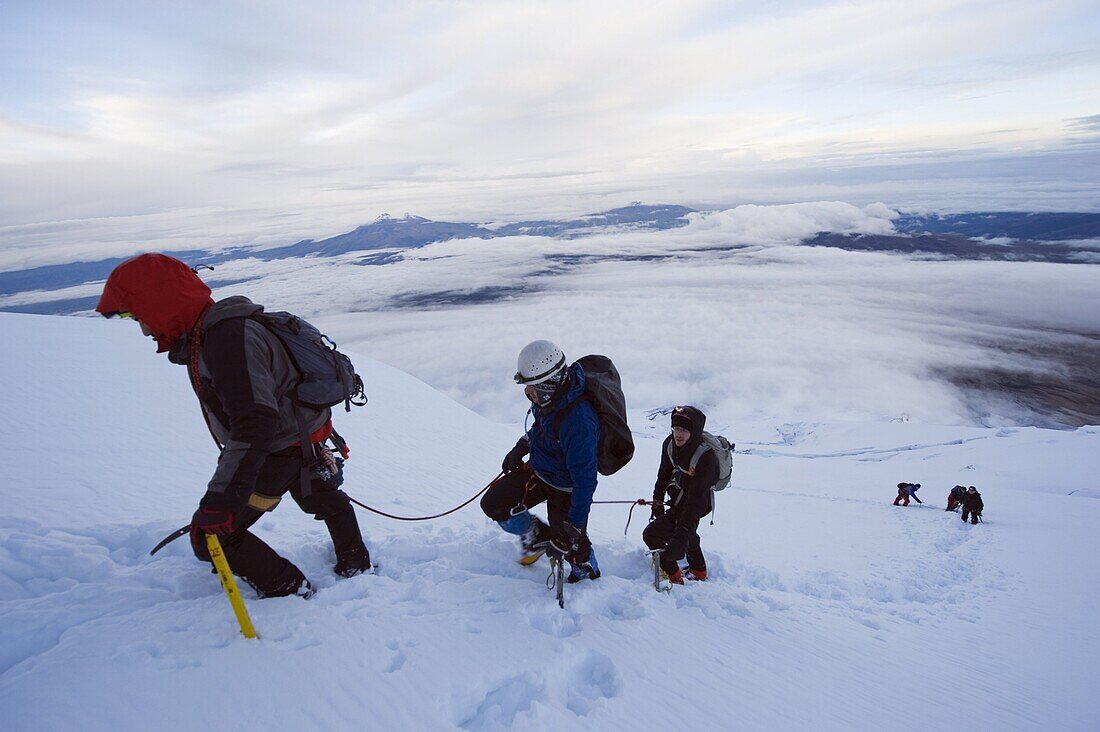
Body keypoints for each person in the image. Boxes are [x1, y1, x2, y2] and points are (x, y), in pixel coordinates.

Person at [96, 253, 371, 599]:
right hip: (304, 438)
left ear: (163, 306)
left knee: (212, 536)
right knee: (322, 497)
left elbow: (255, 423)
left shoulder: (226, 339)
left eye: (142, 317)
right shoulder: (226, 328)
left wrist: (222, 499)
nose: (145, 329)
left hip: (280, 450)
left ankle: (291, 592)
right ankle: (356, 563)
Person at [480, 340, 601, 583]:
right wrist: (520, 448)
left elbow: (585, 481)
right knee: (494, 504)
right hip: (540, 473)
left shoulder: (578, 422)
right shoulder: (549, 401)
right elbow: (540, 428)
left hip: (566, 489)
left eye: (531, 388)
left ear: (549, 383)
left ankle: (587, 572)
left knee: (572, 549)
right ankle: (537, 535)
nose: (528, 394)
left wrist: (574, 529)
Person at [642, 406, 716, 585]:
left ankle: (673, 576)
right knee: (687, 532)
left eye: (683, 430)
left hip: (698, 503)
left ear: (694, 432)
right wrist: (657, 501)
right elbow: (664, 474)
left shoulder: (706, 457)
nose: (678, 434)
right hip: (678, 497)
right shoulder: (669, 445)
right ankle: (699, 571)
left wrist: (680, 537)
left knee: (652, 534)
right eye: (675, 429)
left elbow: (695, 501)